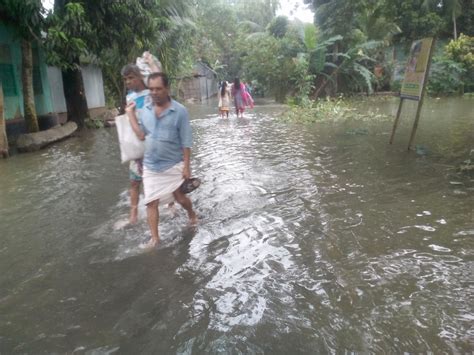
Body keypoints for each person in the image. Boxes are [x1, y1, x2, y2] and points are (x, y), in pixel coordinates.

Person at [126, 72, 197, 247]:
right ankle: (155, 238)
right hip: (151, 165)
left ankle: (192, 214)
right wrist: (130, 115)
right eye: (151, 89)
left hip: (173, 164)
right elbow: (141, 135)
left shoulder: (179, 111)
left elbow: (186, 141)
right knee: (151, 202)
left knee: (180, 199)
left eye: (158, 89)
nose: (155, 92)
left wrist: (187, 167)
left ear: (167, 89)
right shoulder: (146, 111)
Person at [121, 64, 150, 224]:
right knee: (134, 180)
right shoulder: (129, 97)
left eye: (131, 77)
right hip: (137, 144)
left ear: (140, 77)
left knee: (157, 177)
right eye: (126, 79)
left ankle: (170, 203)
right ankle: (133, 213)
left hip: (152, 143)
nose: (128, 82)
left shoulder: (151, 93)